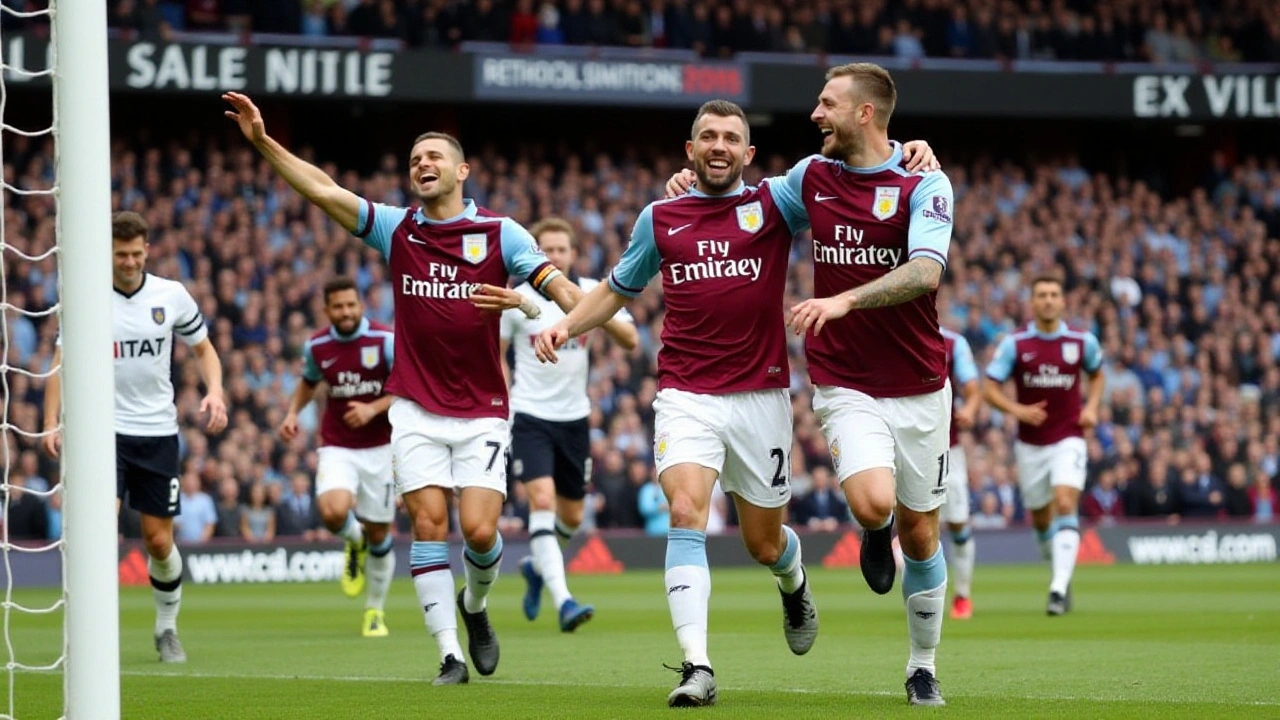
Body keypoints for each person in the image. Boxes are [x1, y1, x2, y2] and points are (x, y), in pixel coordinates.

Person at [224, 92, 585, 686]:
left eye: (435, 155)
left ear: (461, 170)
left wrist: (549, 315)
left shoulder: (501, 234)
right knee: (426, 526)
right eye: (416, 156)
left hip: (483, 411)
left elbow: (567, 295)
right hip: (414, 407)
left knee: (480, 532)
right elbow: (323, 191)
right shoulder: (397, 229)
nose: (422, 162)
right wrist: (263, 142)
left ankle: (474, 608)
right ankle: (448, 653)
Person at [536, 100, 818, 708]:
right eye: (707, 136)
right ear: (690, 150)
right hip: (686, 393)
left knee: (764, 544)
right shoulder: (661, 217)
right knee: (686, 509)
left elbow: (846, 168)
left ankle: (792, 583)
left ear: (747, 154)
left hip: (761, 396)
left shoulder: (775, 203)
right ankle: (698, 666)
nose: (718, 145)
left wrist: (908, 154)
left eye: (731, 138)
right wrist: (567, 326)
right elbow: (616, 289)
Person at [42, 211, 228, 664]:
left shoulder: (171, 296)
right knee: (99, 530)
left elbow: (204, 349)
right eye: (120, 254)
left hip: (158, 433)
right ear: (108, 252)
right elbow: (59, 363)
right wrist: (51, 421)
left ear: (147, 250)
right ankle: (92, 636)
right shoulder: (86, 296)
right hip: (102, 433)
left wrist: (216, 392)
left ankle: (166, 628)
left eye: (135, 253)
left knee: (159, 542)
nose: (128, 261)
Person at [499, 217, 639, 633]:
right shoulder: (519, 299)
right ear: (536, 255)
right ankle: (564, 601)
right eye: (547, 250)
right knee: (541, 502)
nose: (555, 256)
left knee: (572, 517)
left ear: (573, 252)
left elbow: (630, 340)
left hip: (574, 419)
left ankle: (537, 568)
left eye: (562, 249)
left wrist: (586, 310)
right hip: (529, 416)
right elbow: (496, 355)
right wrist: (505, 406)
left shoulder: (595, 293)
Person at [279, 276, 397, 637]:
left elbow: (409, 386)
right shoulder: (317, 346)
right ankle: (353, 540)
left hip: (382, 447)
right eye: (338, 307)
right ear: (327, 310)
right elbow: (309, 382)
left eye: (351, 305)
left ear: (360, 306)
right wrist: (291, 413)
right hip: (338, 444)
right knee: (332, 512)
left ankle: (374, 611)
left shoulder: (384, 340)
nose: (346, 312)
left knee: (381, 534)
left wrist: (373, 409)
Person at [983, 275, 1104, 616]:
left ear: (1063, 301)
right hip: (1030, 445)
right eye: (1042, 295)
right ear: (1032, 303)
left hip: (1069, 438)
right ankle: (1060, 575)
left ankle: (1057, 588)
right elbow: (990, 386)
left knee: (1065, 501)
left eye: (1054, 294)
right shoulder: (1016, 344)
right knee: (1040, 519)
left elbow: (1098, 374)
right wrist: (1017, 409)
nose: (1048, 300)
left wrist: (1092, 406)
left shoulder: (1082, 341)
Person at [940, 326, 982, 619]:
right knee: (913, 525)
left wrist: (970, 407)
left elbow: (972, 387)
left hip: (948, 450)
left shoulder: (953, 343)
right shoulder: (889, 336)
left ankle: (962, 595)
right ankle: (922, 596)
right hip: (901, 447)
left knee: (957, 525)